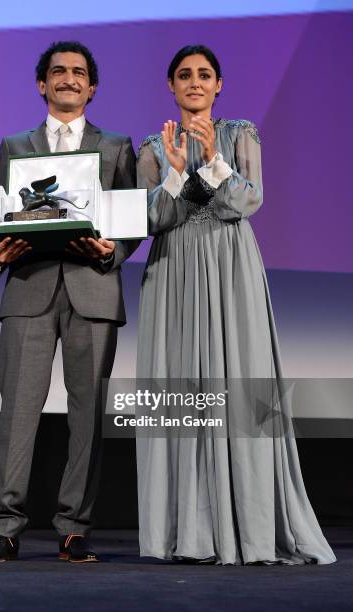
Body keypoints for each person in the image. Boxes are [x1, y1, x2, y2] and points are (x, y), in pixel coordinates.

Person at [136, 45, 336, 564]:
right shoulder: (153, 146)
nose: (195, 82)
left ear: (219, 85)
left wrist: (216, 164)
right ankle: (187, 533)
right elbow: (153, 219)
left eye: (204, 75)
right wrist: (176, 172)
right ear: (171, 85)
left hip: (230, 264)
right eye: (184, 75)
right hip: (174, 268)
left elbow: (248, 200)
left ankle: (251, 528)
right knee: (179, 385)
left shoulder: (240, 132)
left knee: (242, 383)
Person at [0, 41, 138, 563]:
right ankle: (4, 528)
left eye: (79, 73)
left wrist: (115, 249)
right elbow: (3, 220)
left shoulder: (117, 146)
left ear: (92, 87)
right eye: (59, 71)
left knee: (88, 417)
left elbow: (131, 220)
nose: (69, 78)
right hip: (28, 290)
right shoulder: (12, 145)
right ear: (42, 84)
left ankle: (74, 527)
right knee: (17, 413)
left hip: (94, 288)